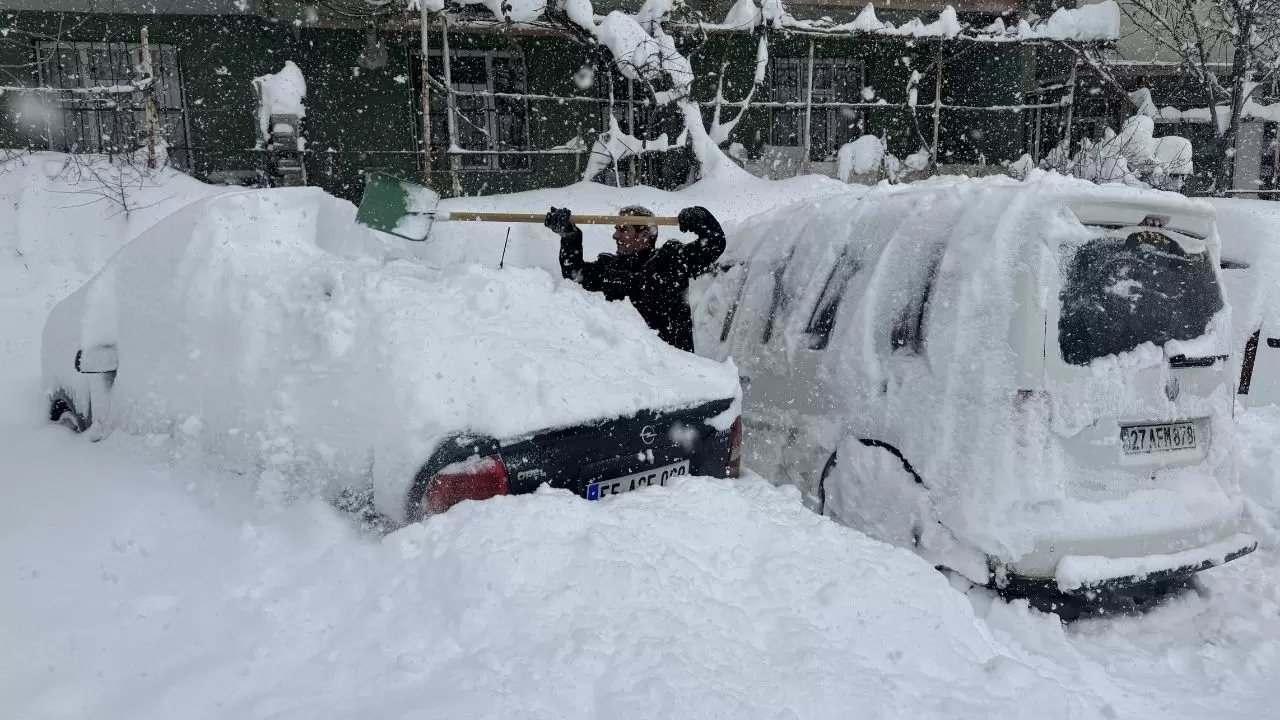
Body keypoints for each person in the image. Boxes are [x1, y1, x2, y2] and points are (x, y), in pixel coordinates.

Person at [544, 204, 725, 353]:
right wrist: (570, 236)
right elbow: (574, 274)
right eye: (616, 229)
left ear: (645, 236)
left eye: (623, 230)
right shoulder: (609, 268)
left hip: (675, 374)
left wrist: (701, 217)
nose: (615, 235)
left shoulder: (671, 262)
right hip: (631, 379)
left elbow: (714, 243)